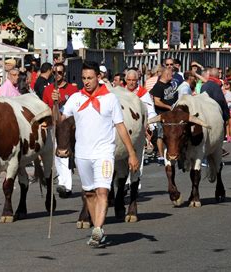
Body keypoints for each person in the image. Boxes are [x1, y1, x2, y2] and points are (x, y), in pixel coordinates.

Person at [59, 61, 139, 247]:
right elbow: (61, 120)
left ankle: (97, 229)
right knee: (89, 193)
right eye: (84, 78)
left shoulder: (110, 99)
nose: (86, 82)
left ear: (98, 77)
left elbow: (120, 126)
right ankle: (98, 229)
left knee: (102, 191)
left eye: (90, 78)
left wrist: (131, 153)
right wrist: (56, 105)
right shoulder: (75, 98)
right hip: (82, 154)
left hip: (104, 153)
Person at [43, 63, 78, 197]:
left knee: (66, 153)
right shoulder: (48, 90)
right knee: (57, 154)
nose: (57, 75)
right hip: (54, 125)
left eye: (60, 72)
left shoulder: (72, 90)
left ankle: (66, 185)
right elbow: (45, 106)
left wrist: (62, 99)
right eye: (55, 73)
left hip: (68, 127)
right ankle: (62, 182)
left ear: (64, 74)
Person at [150, 68, 176, 165]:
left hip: (170, 114)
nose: (172, 77)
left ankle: (170, 152)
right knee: (160, 135)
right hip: (162, 114)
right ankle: (161, 156)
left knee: (171, 134)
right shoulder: (158, 86)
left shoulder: (168, 84)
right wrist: (169, 107)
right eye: (171, 75)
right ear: (166, 75)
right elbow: (157, 102)